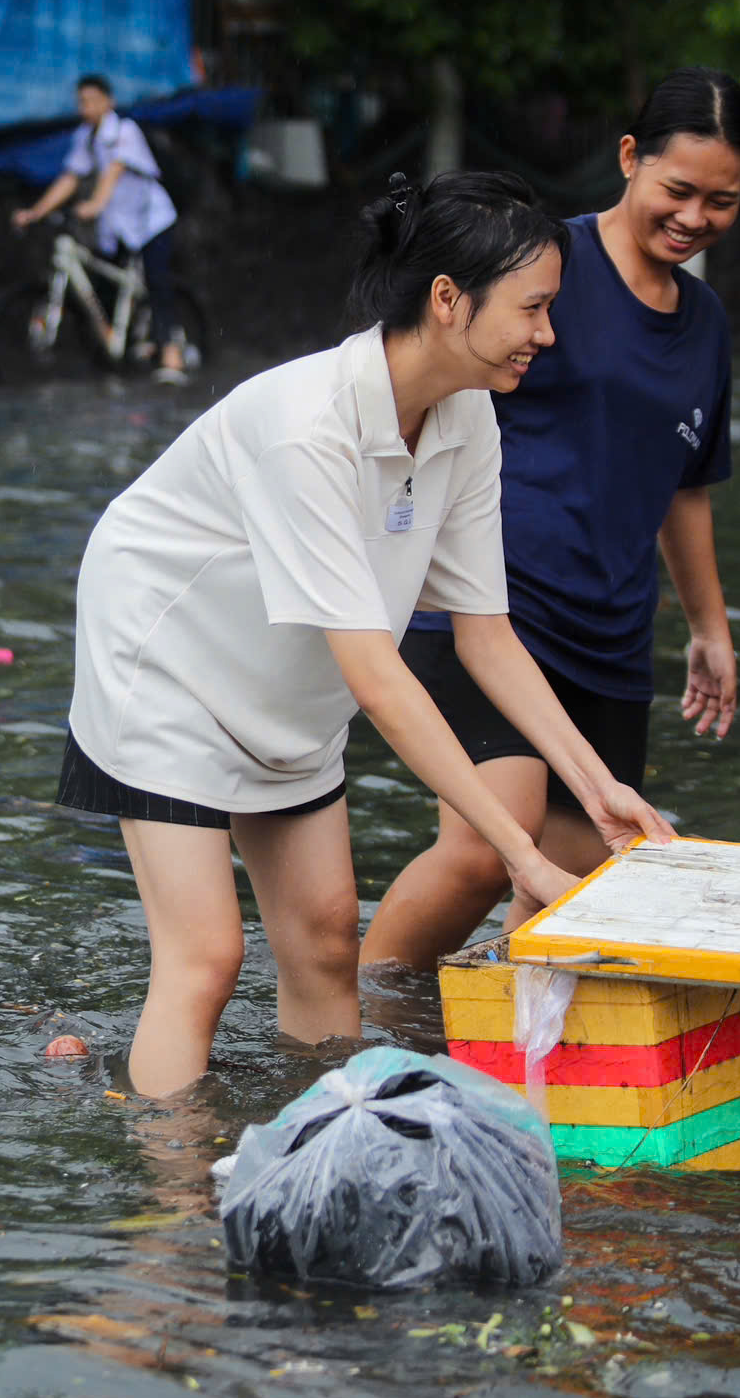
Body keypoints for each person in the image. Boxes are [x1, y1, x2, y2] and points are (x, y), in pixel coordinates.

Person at [58, 170, 674, 1097]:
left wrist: (597, 789)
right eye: (534, 308)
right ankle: (171, 1222)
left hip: (282, 673)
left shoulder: (466, 413)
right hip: (167, 664)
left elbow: (487, 636)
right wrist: (523, 854)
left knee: (323, 940)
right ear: (447, 300)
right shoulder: (307, 428)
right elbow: (383, 681)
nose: (548, 334)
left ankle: (331, 1160)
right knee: (207, 958)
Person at [361, 70, 740, 971]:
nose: (694, 217)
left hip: (609, 635)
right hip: (483, 608)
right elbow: (418, 379)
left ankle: (492, 1067)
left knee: (587, 893)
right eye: (678, 190)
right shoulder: (543, 271)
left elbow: (686, 484)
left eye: (721, 201)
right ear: (629, 159)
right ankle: (345, 1030)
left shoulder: (707, 325)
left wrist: (708, 628)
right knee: (479, 852)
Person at [12, 74, 192, 382]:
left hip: (150, 220)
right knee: (107, 282)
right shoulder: (85, 136)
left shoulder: (125, 131)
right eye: (82, 101)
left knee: (157, 283)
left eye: (92, 100)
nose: (86, 107)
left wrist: (95, 204)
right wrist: (36, 212)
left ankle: (171, 355)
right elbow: (70, 177)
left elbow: (114, 172)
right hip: (117, 227)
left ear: (108, 101)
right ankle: (114, 347)